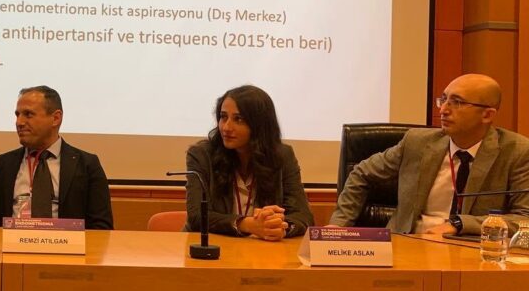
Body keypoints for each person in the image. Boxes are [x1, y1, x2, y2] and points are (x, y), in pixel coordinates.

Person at [331, 73, 529, 234]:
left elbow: (524, 219)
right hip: (408, 244)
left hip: (470, 252)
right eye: (443, 100)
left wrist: (460, 224)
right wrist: (338, 226)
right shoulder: (417, 142)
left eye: (457, 102)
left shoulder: (517, 152)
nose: (443, 110)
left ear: (487, 115)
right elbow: (362, 173)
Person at [0, 85, 114, 229]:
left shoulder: (87, 165)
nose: (19, 122)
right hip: (9, 244)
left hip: (67, 244)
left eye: (28, 114)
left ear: (56, 118)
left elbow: (102, 227)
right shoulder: (0, 165)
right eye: (17, 115)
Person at [186, 84, 313, 239]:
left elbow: (303, 216)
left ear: (259, 125)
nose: (226, 127)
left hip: (262, 249)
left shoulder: (282, 156)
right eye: (223, 117)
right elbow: (197, 217)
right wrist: (247, 224)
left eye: (238, 119)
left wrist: (279, 227)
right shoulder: (201, 155)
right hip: (214, 246)